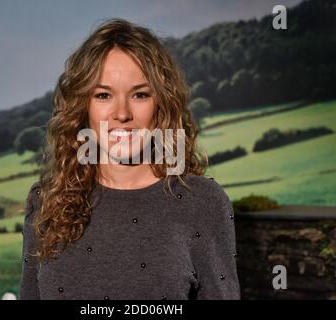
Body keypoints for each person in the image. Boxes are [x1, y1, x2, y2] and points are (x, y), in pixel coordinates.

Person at [19, 18, 240, 300]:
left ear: (161, 104)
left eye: (139, 94)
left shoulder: (202, 202)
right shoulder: (44, 201)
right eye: (103, 95)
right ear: (82, 106)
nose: (121, 114)